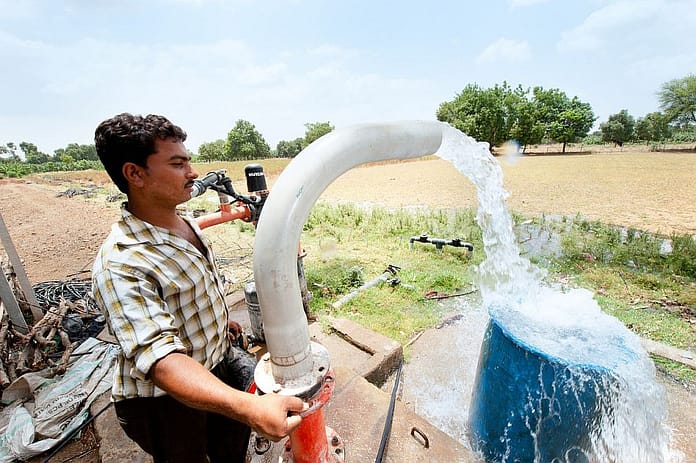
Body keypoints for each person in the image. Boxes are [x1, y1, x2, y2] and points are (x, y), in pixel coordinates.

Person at [91, 113, 306, 463]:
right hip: (164, 402)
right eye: (177, 164)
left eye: (188, 161)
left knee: (230, 450)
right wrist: (251, 405)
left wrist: (219, 323)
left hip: (214, 368)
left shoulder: (182, 221)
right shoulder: (123, 262)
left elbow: (189, 293)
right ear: (135, 174)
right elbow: (162, 362)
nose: (192, 172)